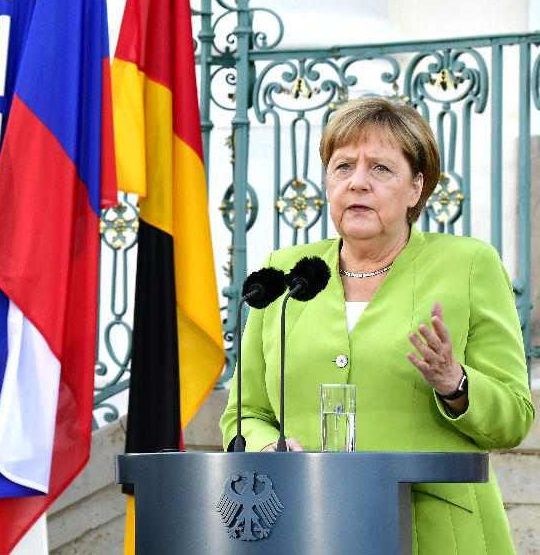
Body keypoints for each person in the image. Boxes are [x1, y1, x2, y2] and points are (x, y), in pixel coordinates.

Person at [220, 96, 534, 554]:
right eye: (343, 166)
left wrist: (456, 383)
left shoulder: (468, 264)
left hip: (435, 533)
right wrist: (268, 451)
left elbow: (515, 419)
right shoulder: (286, 275)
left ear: (416, 189)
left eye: (381, 169)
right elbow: (245, 414)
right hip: (307, 526)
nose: (358, 183)